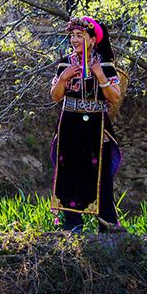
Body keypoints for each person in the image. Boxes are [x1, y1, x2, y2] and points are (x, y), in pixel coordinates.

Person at [49, 16, 123, 233]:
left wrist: (100, 75)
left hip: (97, 127)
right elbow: (55, 97)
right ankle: (72, 224)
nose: (74, 40)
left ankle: (107, 223)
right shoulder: (65, 63)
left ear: (92, 40)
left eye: (80, 36)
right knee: (69, 170)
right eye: (72, 36)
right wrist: (63, 79)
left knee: (100, 172)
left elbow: (115, 97)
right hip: (69, 126)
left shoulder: (106, 66)